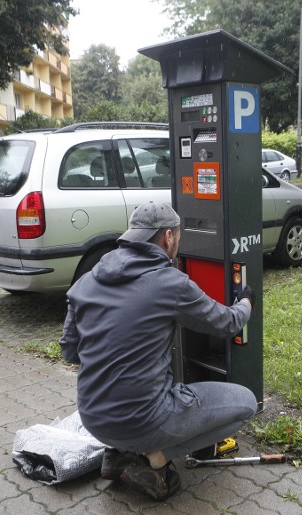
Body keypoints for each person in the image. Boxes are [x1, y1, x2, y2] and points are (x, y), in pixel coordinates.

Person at [59, 201, 257, 501]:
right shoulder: (169, 283)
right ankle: (155, 457)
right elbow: (227, 323)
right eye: (179, 236)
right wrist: (246, 302)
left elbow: (70, 352)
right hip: (143, 420)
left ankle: (117, 454)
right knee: (246, 403)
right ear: (168, 237)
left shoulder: (87, 280)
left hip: (92, 416)